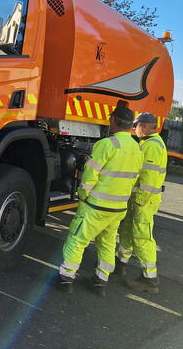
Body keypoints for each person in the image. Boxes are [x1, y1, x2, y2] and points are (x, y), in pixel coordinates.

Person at [58, 107, 143, 296]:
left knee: (77, 239)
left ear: (113, 120)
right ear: (130, 125)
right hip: (118, 207)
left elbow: (90, 175)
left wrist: (82, 194)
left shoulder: (106, 144)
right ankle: (100, 282)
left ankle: (66, 278)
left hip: (96, 206)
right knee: (107, 242)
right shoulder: (137, 148)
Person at [116, 112, 167, 293]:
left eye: (135, 125)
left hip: (144, 201)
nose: (133, 129)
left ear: (144, 126)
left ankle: (150, 279)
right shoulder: (149, 143)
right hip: (140, 200)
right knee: (128, 230)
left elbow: (149, 178)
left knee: (142, 237)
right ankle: (120, 263)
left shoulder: (152, 146)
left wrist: (139, 200)